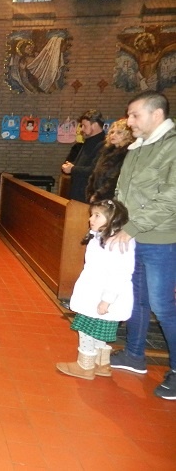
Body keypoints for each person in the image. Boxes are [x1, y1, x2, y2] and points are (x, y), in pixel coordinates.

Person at [108, 91, 176, 401]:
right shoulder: (138, 148)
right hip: (132, 237)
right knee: (136, 299)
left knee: (163, 306)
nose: (129, 121)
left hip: (161, 239)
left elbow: (171, 198)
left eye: (135, 115)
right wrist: (114, 222)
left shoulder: (171, 146)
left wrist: (132, 227)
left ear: (156, 115)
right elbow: (123, 192)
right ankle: (134, 355)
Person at [56, 199, 134, 380]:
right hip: (94, 294)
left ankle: (85, 365)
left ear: (113, 218)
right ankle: (101, 364)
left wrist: (107, 300)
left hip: (102, 298)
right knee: (98, 331)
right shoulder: (100, 237)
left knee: (87, 330)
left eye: (97, 215)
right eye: (92, 215)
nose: (91, 219)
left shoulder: (117, 243)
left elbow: (120, 274)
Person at [61, 109, 106, 202]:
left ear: (95, 125)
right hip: (78, 192)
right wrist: (71, 165)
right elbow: (83, 163)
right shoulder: (89, 140)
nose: (81, 129)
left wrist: (72, 169)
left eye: (84, 126)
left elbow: (95, 170)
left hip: (88, 195)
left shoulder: (103, 144)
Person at [85, 119, 133, 203]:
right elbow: (95, 173)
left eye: (119, 133)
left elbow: (116, 180)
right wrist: (90, 192)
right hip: (97, 195)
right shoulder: (106, 151)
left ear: (128, 135)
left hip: (112, 198)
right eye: (112, 132)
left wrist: (99, 195)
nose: (113, 135)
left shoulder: (127, 154)